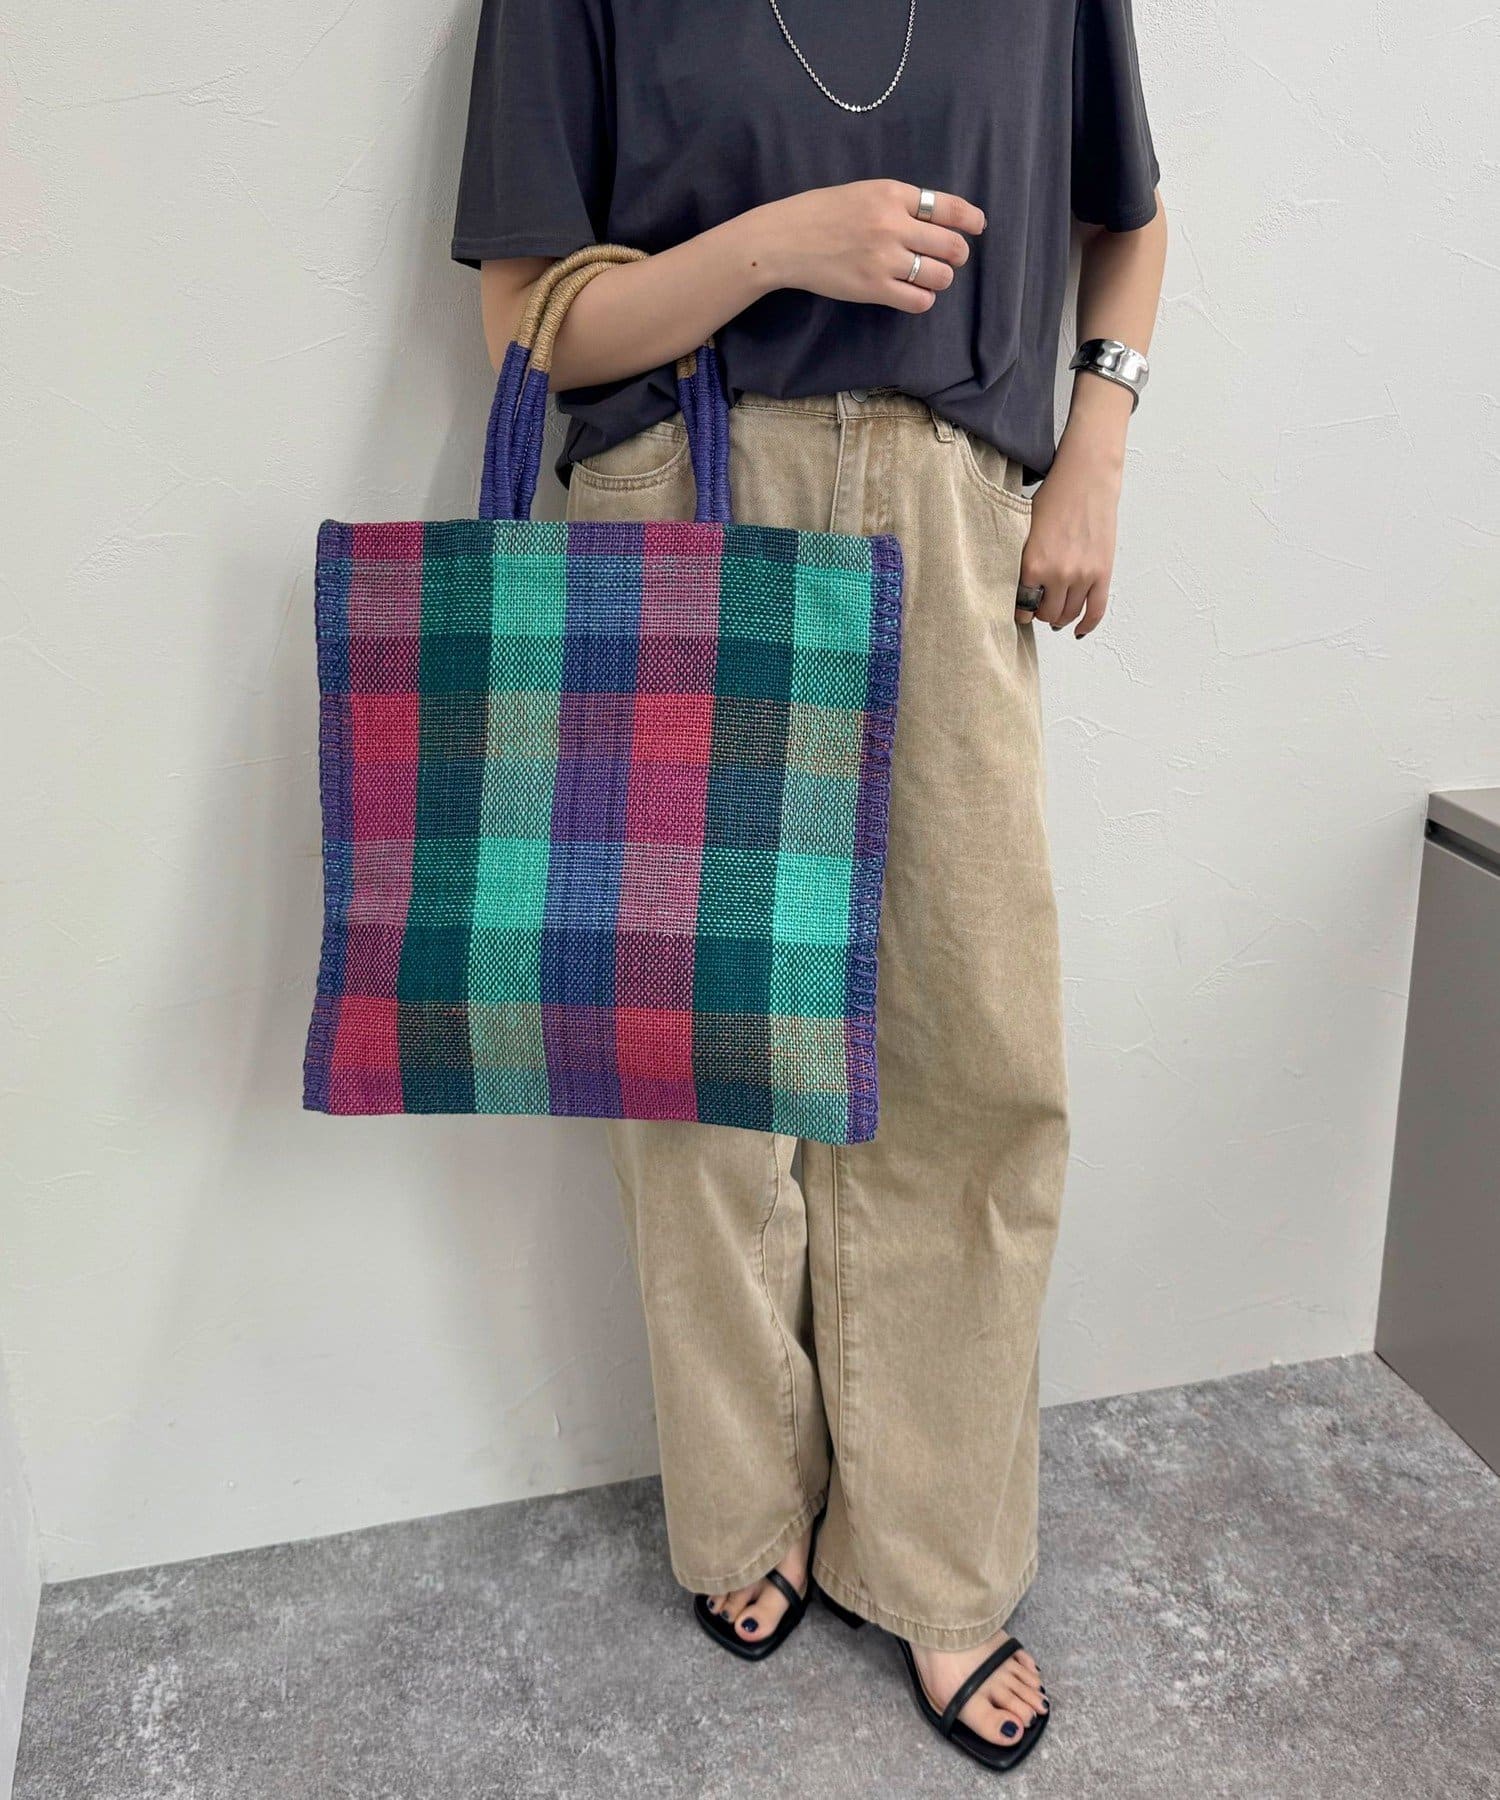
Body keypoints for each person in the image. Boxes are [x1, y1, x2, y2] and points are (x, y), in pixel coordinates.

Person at [452, 0, 1166, 1771]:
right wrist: (776, 246)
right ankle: (741, 1505)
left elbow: (1129, 219)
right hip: (685, 488)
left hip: (952, 509)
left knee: (976, 1060)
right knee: (698, 1075)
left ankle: (933, 1559)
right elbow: (529, 319)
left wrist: (1095, 450)